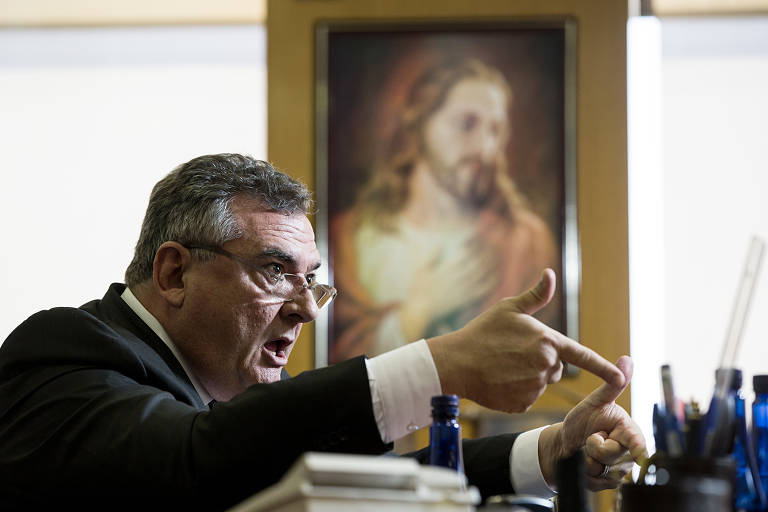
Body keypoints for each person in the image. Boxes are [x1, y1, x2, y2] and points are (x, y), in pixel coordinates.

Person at [0, 154, 644, 510]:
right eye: (276, 273)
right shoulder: (63, 355)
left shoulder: (230, 401)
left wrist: (552, 451)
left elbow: (368, 487)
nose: (307, 310)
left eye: (315, 282)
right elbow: (194, 462)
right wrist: (438, 367)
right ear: (174, 272)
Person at [330, 58, 560, 363]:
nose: (485, 147)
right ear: (420, 124)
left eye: (496, 130)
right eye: (467, 124)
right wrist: (417, 312)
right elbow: (337, 368)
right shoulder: (351, 236)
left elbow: (539, 357)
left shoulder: (526, 241)